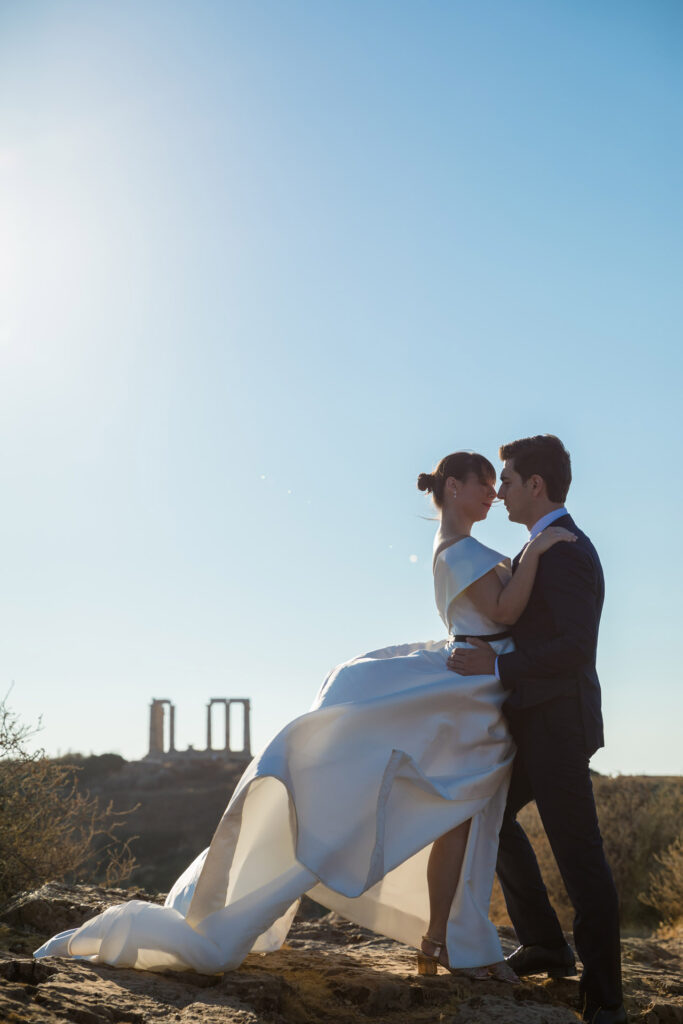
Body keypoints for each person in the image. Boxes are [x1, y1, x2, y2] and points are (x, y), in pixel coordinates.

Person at [35, 450, 573, 980]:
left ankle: (444, 939)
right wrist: (540, 549)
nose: (495, 493)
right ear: (453, 487)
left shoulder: (465, 548)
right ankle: (442, 939)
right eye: (485, 483)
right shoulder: (460, 552)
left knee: (456, 816)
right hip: (468, 694)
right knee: (450, 813)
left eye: (498, 483)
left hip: (476, 689)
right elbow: (504, 612)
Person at [448, 435, 626, 1024]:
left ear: (536, 486)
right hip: (530, 717)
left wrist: (495, 665)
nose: (499, 490)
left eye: (507, 479)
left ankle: (605, 999)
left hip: (558, 723)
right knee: (489, 816)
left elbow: (573, 648)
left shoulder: (568, 550)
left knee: (580, 858)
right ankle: (546, 941)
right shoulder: (537, 547)